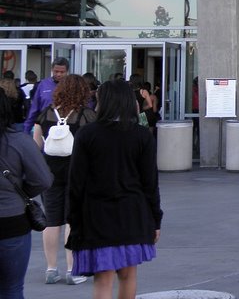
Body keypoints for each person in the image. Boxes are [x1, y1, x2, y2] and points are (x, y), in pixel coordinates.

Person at [66, 81, 162, 299]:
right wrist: (155, 219)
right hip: (133, 212)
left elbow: (76, 182)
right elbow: (150, 183)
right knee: (128, 274)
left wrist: (73, 218)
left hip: (97, 215)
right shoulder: (142, 135)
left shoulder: (87, 134)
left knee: (103, 279)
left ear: (104, 102)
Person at [32, 74, 97, 285]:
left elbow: (37, 145)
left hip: (50, 173)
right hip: (77, 172)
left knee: (51, 222)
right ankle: (73, 269)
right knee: (73, 220)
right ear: (83, 92)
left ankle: (51, 269)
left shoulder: (46, 113)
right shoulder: (87, 115)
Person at [0, 91, 53, 299]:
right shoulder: (19, 142)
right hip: (12, 222)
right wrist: (22, 192)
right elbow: (44, 179)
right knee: (12, 288)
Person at [23, 58, 69, 134]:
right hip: (45, 126)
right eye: (56, 71)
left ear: (67, 71)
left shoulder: (72, 86)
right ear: (52, 70)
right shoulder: (43, 85)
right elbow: (34, 108)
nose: (59, 74)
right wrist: (26, 130)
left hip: (66, 126)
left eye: (62, 72)